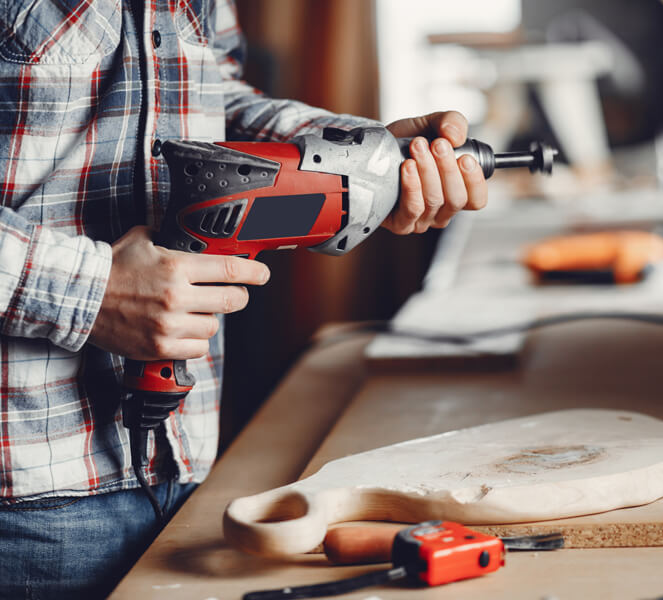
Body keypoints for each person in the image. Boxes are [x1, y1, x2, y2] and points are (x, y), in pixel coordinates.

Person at [0, 1, 488, 598]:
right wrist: (90, 291)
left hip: (185, 462)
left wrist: (363, 162)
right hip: (23, 497)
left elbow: (204, 97)